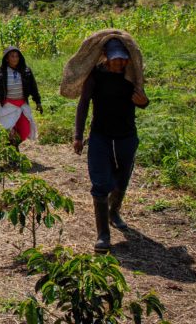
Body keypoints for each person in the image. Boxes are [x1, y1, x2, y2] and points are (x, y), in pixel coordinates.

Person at [69, 35, 149, 253]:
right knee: (100, 182)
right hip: (100, 136)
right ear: (105, 57)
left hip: (126, 136)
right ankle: (103, 234)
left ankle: (115, 211)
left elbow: (142, 99)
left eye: (122, 59)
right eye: (115, 59)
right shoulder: (95, 76)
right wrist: (78, 135)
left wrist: (144, 103)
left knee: (121, 179)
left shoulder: (131, 75)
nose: (119, 63)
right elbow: (83, 103)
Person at [0, 46, 43, 147]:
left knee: (24, 130)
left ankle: (14, 144)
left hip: (22, 105)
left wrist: (38, 101)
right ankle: (10, 148)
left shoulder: (26, 71)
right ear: (7, 58)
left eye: (17, 56)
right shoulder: (0, 72)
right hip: (7, 106)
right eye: (12, 56)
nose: (15, 59)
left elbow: (33, 87)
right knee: (5, 130)